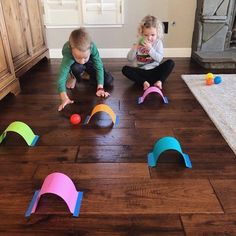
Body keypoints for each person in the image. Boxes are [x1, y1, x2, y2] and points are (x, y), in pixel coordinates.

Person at [57, 28, 114, 111]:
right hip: (74, 65)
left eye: (84, 57)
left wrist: (100, 88)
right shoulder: (68, 52)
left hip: (90, 62)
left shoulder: (92, 47)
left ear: (90, 48)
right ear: (71, 50)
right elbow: (61, 77)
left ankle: (85, 74)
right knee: (77, 67)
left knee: (108, 80)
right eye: (78, 57)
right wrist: (64, 98)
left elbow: (98, 66)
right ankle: (74, 76)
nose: (82, 61)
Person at [122, 15, 174, 90]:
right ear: (142, 33)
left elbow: (159, 59)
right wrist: (135, 48)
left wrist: (150, 50)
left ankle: (159, 82)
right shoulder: (138, 43)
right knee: (125, 69)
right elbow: (129, 58)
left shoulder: (158, 43)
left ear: (157, 33)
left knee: (170, 63)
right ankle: (144, 82)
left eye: (153, 35)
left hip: (154, 71)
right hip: (142, 71)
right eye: (146, 35)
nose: (149, 38)